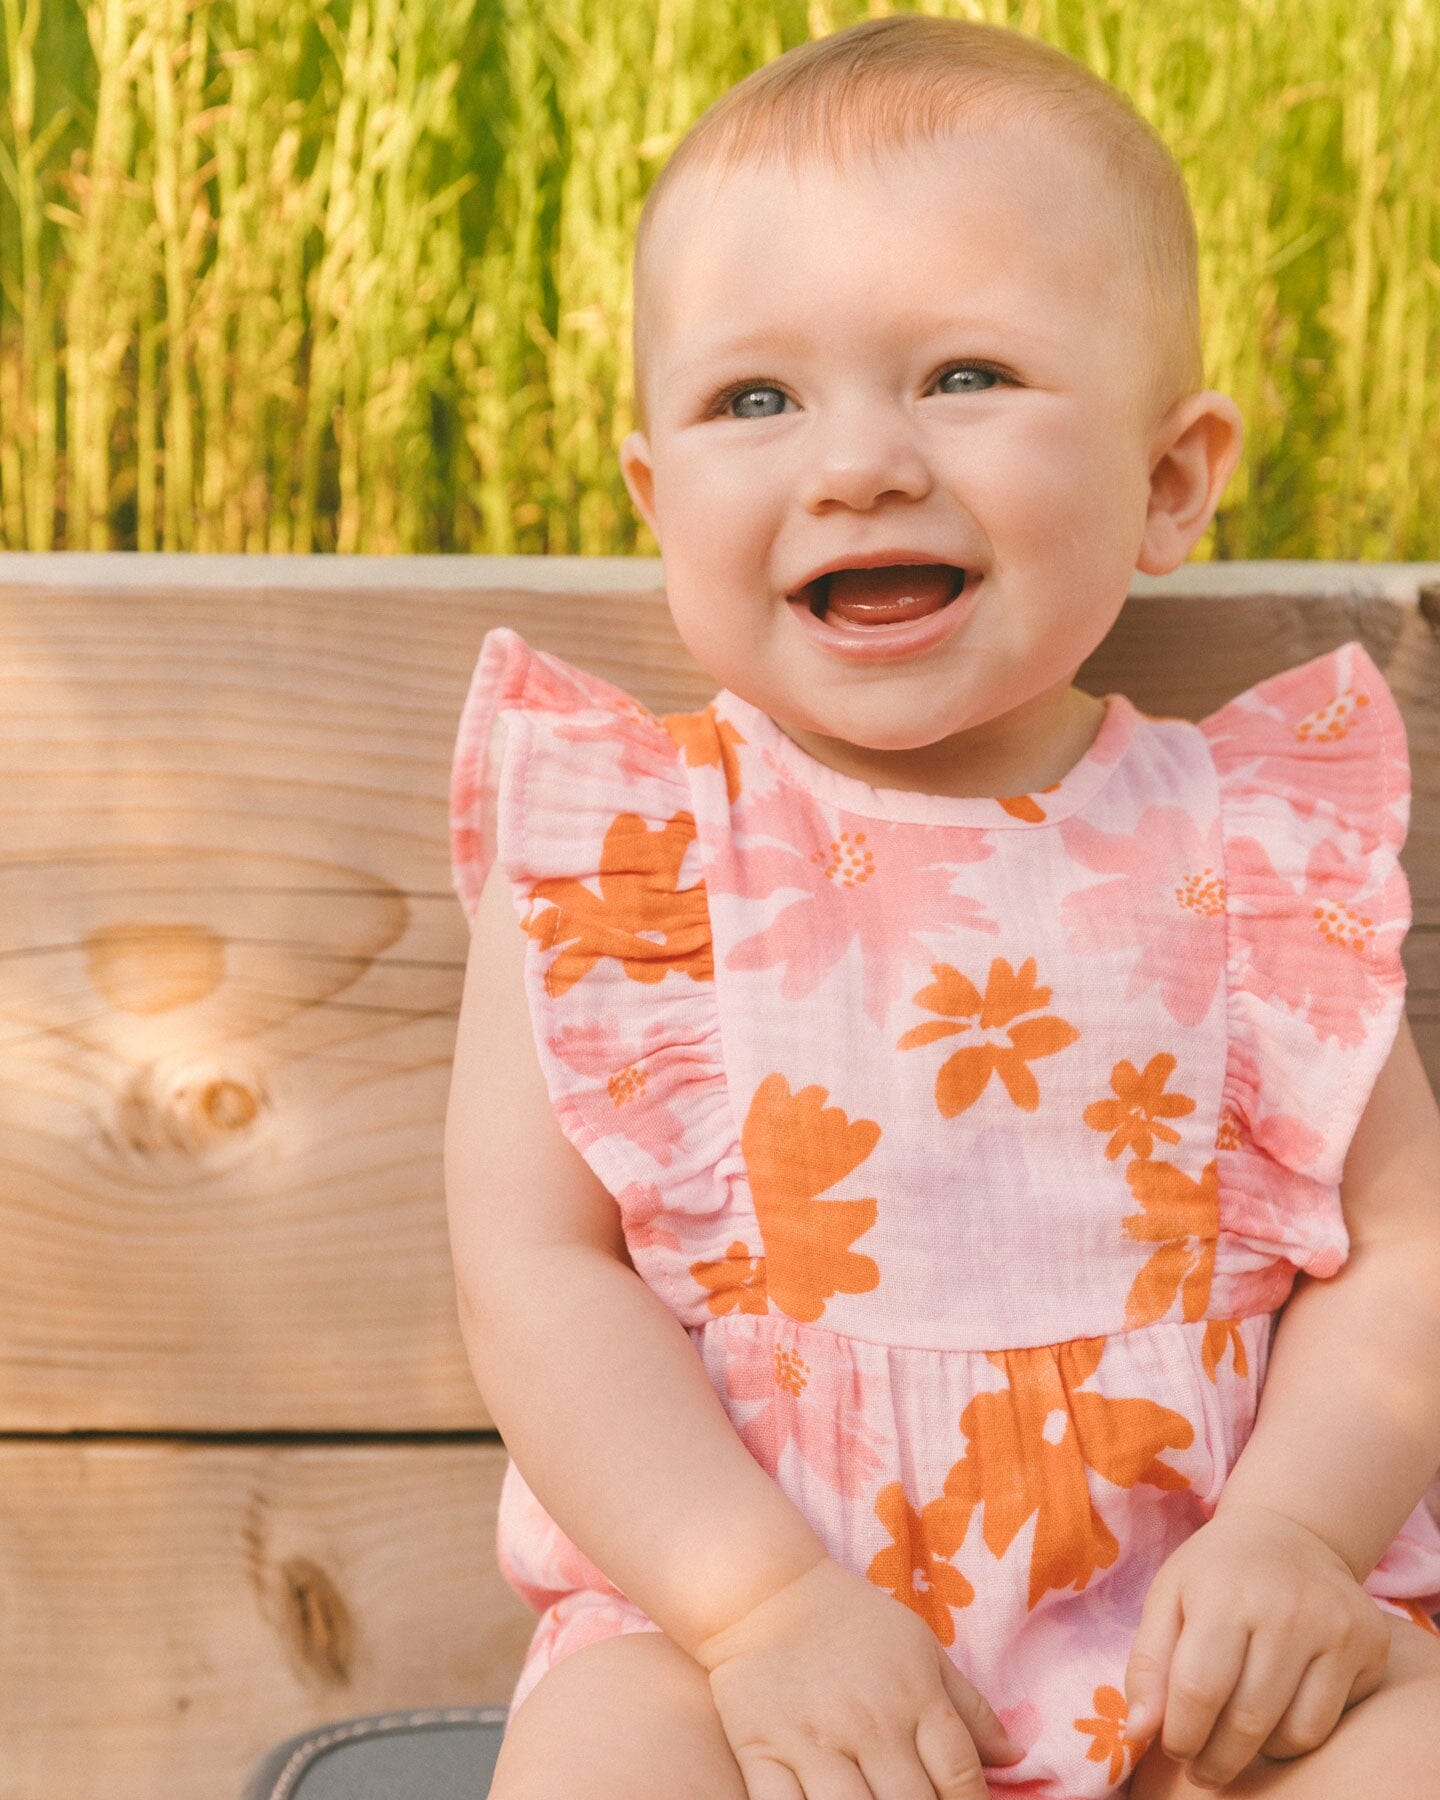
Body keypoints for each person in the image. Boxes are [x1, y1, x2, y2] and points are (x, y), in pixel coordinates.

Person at [444, 16, 1440, 1799]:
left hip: (1201, 1650)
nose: (857, 463)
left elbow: (1409, 1249)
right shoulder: (632, 853)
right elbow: (534, 1273)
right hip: (751, 1654)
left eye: (964, 374)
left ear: (1168, 480)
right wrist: (754, 1613)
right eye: (757, 399)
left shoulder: (1251, 850)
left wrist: (1296, 1537)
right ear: (660, 506)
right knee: (606, 1760)